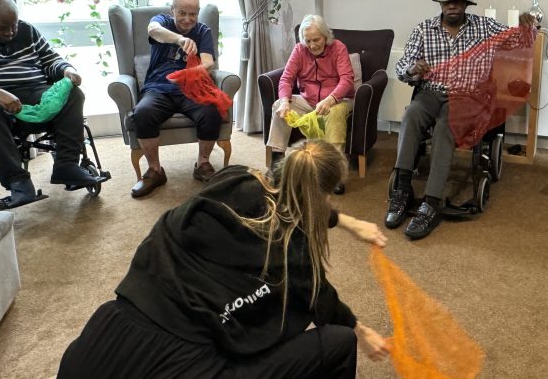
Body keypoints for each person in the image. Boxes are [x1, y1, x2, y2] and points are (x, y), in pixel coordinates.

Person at [58, 139, 390, 378]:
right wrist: (360, 331)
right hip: (179, 363)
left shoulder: (231, 179)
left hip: (101, 344)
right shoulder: (291, 253)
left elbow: (292, 200)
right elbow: (321, 296)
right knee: (338, 342)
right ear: (324, 194)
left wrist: (346, 221)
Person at [386, 0, 535, 240]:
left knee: (446, 127)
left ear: (466, 4)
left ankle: (430, 203)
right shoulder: (423, 30)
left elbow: (519, 42)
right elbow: (401, 70)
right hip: (430, 93)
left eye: (459, 1)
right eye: (448, 1)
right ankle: (401, 190)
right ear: (441, 3)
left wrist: (526, 28)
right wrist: (413, 70)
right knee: (411, 115)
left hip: (467, 97)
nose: (453, 6)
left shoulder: (485, 27)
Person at [0, 0, 103, 209]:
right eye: (1, 27)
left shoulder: (27, 30)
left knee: (73, 94)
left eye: (13, 26)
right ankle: (18, 182)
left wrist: (67, 70)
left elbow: (50, 60)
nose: (9, 32)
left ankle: (67, 165)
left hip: (34, 90)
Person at [130, 0, 223, 198]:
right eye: (182, 13)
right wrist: (180, 39)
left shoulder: (202, 31)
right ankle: (155, 171)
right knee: (142, 113)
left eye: (193, 14)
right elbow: (153, 31)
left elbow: (208, 62)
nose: (187, 19)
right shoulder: (161, 21)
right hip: (158, 87)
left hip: (191, 88)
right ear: (172, 10)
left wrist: (188, 73)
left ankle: (203, 164)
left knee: (211, 111)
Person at [268, 14, 354, 193]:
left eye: (316, 40)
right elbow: (286, 79)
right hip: (308, 100)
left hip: (336, 100)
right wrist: (285, 101)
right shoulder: (299, 50)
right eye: (308, 40)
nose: (312, 45)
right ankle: (277, 164)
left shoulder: (338, 48)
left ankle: (334, 172)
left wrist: (330, 100)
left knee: (335, 113)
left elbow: (347, 80)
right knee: (278, 106)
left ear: (325, 36)